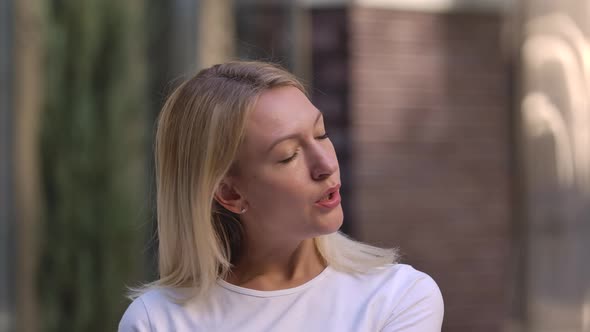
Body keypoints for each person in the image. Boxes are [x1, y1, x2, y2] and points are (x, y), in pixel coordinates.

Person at [119, 61, 444, 331]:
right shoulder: (157, 321)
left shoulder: (398, 297)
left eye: (321, 134)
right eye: (289, 155)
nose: (327, 165)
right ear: (230, 193)